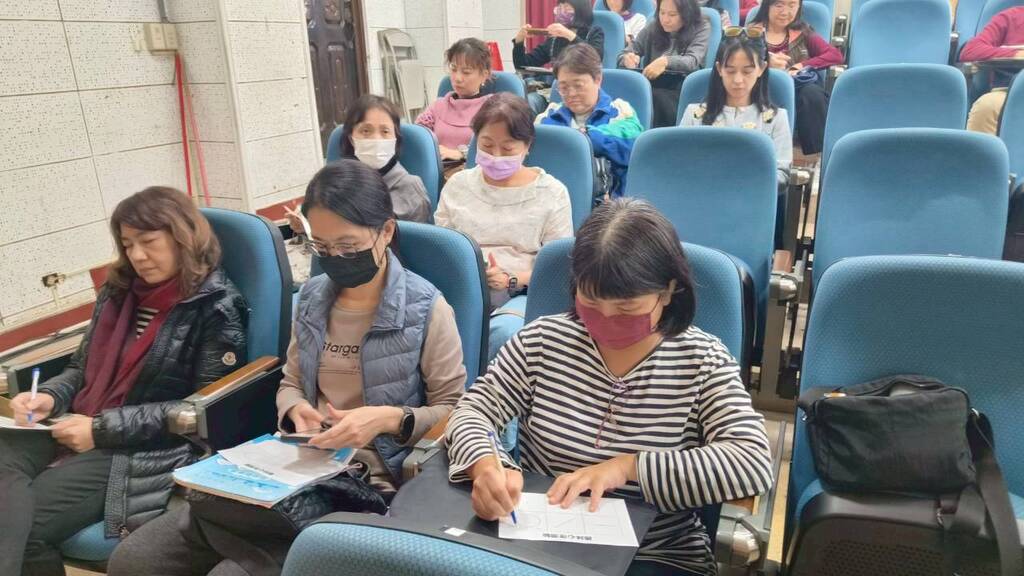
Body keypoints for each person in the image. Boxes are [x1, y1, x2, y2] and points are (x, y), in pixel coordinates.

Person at [108, 160, 467, 576]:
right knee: (133, 560)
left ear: (385, 232)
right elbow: (291, 381)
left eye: (348, 246)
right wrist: (295, 408)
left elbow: (454, 411)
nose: (336, 258)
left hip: (366, 482)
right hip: (295, 466)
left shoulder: (426, 308)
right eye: (323, 247)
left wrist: (388, 419)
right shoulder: (313, 297)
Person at [445, 198, 773, 576]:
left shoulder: (702, 361)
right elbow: (473, 410)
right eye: (591, 302)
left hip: (655, 551)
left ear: (668, 292)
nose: (605, 319)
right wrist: (487, 466)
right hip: (541, 542)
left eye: (626, 308)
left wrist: (628, 468)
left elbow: (751, 462)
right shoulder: (543, 341)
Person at [0, 187, 248, 576]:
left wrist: (100, 429)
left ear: (182, 237)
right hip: (76, 424)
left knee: (25, 529)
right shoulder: (118, 291)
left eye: (148, 242)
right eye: (128, 244)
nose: (137, 256)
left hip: (139, 445)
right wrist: (49, 396)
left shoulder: (215, 306)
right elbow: (81, 369)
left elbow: (199, 411)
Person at [681, 32, 793, 184]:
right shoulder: (694, 115)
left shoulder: (776, 118)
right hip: (703, 191)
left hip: (753, 194)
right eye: (730, 71)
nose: (738, 80)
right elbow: (681, 164)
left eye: (747, 71)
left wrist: (744, 182)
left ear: (761, 68)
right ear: (719, 69)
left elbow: (782, 174)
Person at [539, 44, 644, 198]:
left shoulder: (620, 112)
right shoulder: (551, 115)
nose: (571, 94)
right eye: (564, 88)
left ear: (598, 80)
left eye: (578, 86)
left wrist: (585, 136)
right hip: (557, 199)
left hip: (610, 203)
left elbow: (634, 150)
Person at [748, 0, 842, 157]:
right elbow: (738, 63)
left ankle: (814, 156)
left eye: (792, 5)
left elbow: (835, 55)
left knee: (812, 94)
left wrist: (801, 65)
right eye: (779, 5)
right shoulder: (752, 33)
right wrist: (766, 61)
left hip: (797, 89)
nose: (785, 12)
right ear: (767, 6)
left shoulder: (803, 32)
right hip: (762, 88)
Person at [618, 0, 711, 127]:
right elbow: (626, 52)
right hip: (652, 86)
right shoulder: (654, 26)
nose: (665, 19)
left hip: (681, 90)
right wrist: (627, 58)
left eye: (672, 15)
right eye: (662, 13)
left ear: (687, 13)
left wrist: (666, 61)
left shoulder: (701, 27)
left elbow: (692, 60)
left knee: (654, 99)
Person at [340, 94, 430, 222]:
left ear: (395, 138)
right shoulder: (339, 182)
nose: (376, 139)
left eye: (385, 131)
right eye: (366, 131)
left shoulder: (410, 189)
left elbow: (416, 236)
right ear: (351, 139)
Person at [513, 0, 606, 113]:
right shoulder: (554, 39)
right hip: (551, 91)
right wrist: (519, 42)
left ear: (580, 11)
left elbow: (595, 57)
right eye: (559, 8)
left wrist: (569, 35)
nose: (562, 12)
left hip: (580, 91)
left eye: (567, 8)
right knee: (524, 104)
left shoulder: (594, 32)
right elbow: (523, 64)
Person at [416, 37, 495, 162]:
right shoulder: (438, 106)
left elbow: (497, 147)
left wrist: (461, 153)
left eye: (466, 72)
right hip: (437, 168)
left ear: (484, 75)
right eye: (453, 69)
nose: (457, 78)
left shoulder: (492, 109)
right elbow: (417, 137)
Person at [961, 6, 1024, 135]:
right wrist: (1015, 54)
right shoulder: (1011, 17)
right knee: (986, 106)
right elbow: (970, 51)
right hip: (1008, 92)